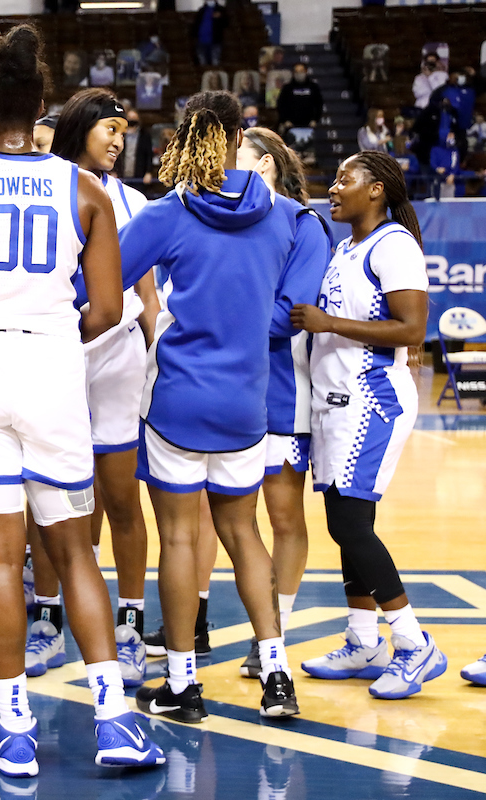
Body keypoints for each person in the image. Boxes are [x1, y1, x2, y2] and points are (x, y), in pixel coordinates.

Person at [0, 23, 165, 777]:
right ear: (42, 106)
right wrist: (55, 330)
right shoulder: (85, 188)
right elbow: (111, 308)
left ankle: (15, 727)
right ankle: (114, 718)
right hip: (53, 362)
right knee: (73, 547)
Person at [117, 90, 302, 723]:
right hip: (247, 405)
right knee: (243, 533)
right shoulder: (284, 215)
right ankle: (277, 674)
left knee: (177, 536)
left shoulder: (171, 211)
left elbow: (104, 274)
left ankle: (181, 683)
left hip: (179, 400)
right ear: (235, 137)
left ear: (188, 137)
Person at [293, 151, 445, 700]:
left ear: (376, 189)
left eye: (343, 180)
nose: (332, 188)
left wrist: (328, 322)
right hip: (337, 401)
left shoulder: (394, 245)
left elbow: (411, 328)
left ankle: (412, 643)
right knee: (342, 521)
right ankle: (363, 640)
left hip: (373, 400)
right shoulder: (345, 248)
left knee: (352, 525)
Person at [29, 88, 160, 687]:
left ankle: (130, 623)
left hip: (116, 359)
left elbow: (149, 295)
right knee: (51, 499)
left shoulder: (134, 201)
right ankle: (48, 618)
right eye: (109, 127)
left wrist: (158, 355)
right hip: (55, 354)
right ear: (79, 127)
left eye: (123, 132)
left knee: (120, 497)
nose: (117, 139)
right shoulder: (42, 187)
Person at [233, 126, 332, 678]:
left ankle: (275, 627)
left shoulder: (304, 224)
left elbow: (291, 312)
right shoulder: (226, 217)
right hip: (232, 384)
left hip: (283, 386)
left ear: (265, 165)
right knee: (235, 518)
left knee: (283, 513)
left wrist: (218, 319)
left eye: (237, 158)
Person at [277, 64, 324, 135]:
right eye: (296, 71)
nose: (299, 74)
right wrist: (285, 120)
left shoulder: (314, 87)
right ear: (293, 73)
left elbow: (319, 104)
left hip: (309, 125)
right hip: (291, 125)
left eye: (301, 71)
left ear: (306, 71)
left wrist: (315, 120)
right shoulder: (287, 88)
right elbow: (281, 104)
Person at [117, 108, 154, 184]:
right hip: (121, 175)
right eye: (130, 119)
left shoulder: (144, 135)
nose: (132, 122)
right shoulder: (120, 134)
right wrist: (113, 171)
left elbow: (149, 155)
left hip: (139, 176)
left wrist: (148, 172)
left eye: (134, 119)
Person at [191, 0, 226, 67]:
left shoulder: (221, 10)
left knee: (215, 63)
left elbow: (226, 23)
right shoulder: (202, 10)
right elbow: (196, 23)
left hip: (215, 40)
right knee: (202, 63)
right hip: (201, 40)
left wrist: (220, 17)